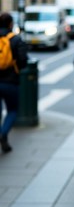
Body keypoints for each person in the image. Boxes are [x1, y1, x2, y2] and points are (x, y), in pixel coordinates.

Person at [0, 12, 28, 153]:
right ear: (11, 24)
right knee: (12, 110)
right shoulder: (16, 40)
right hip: (11, 82)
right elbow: (23, 61)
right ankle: (3, 133)